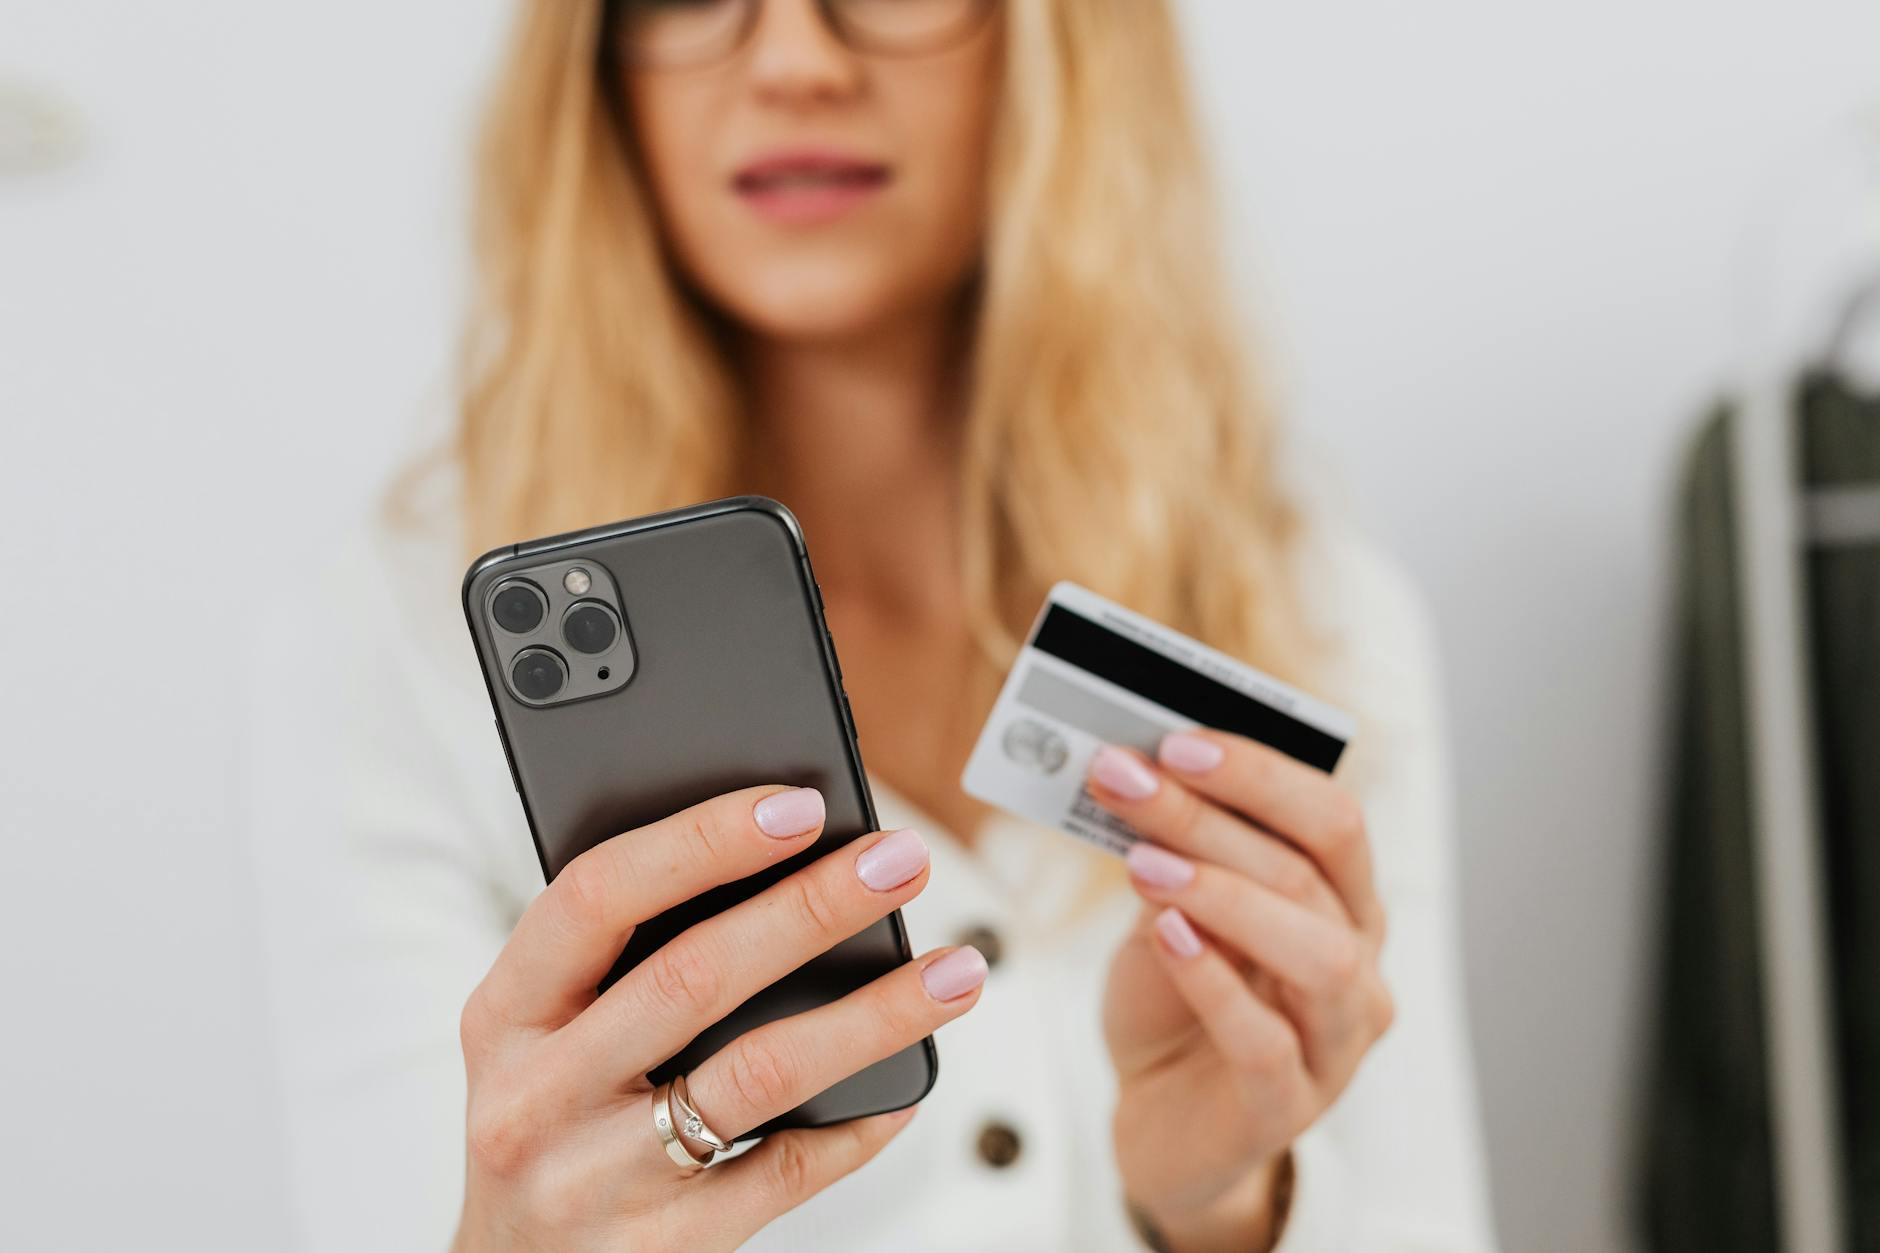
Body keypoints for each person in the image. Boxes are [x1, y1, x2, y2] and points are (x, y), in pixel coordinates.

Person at [250, 1, 1497, 1248]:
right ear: (596, 68)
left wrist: (1217, 1205)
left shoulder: (1302, 607)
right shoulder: (402, 641)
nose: (795, 62)